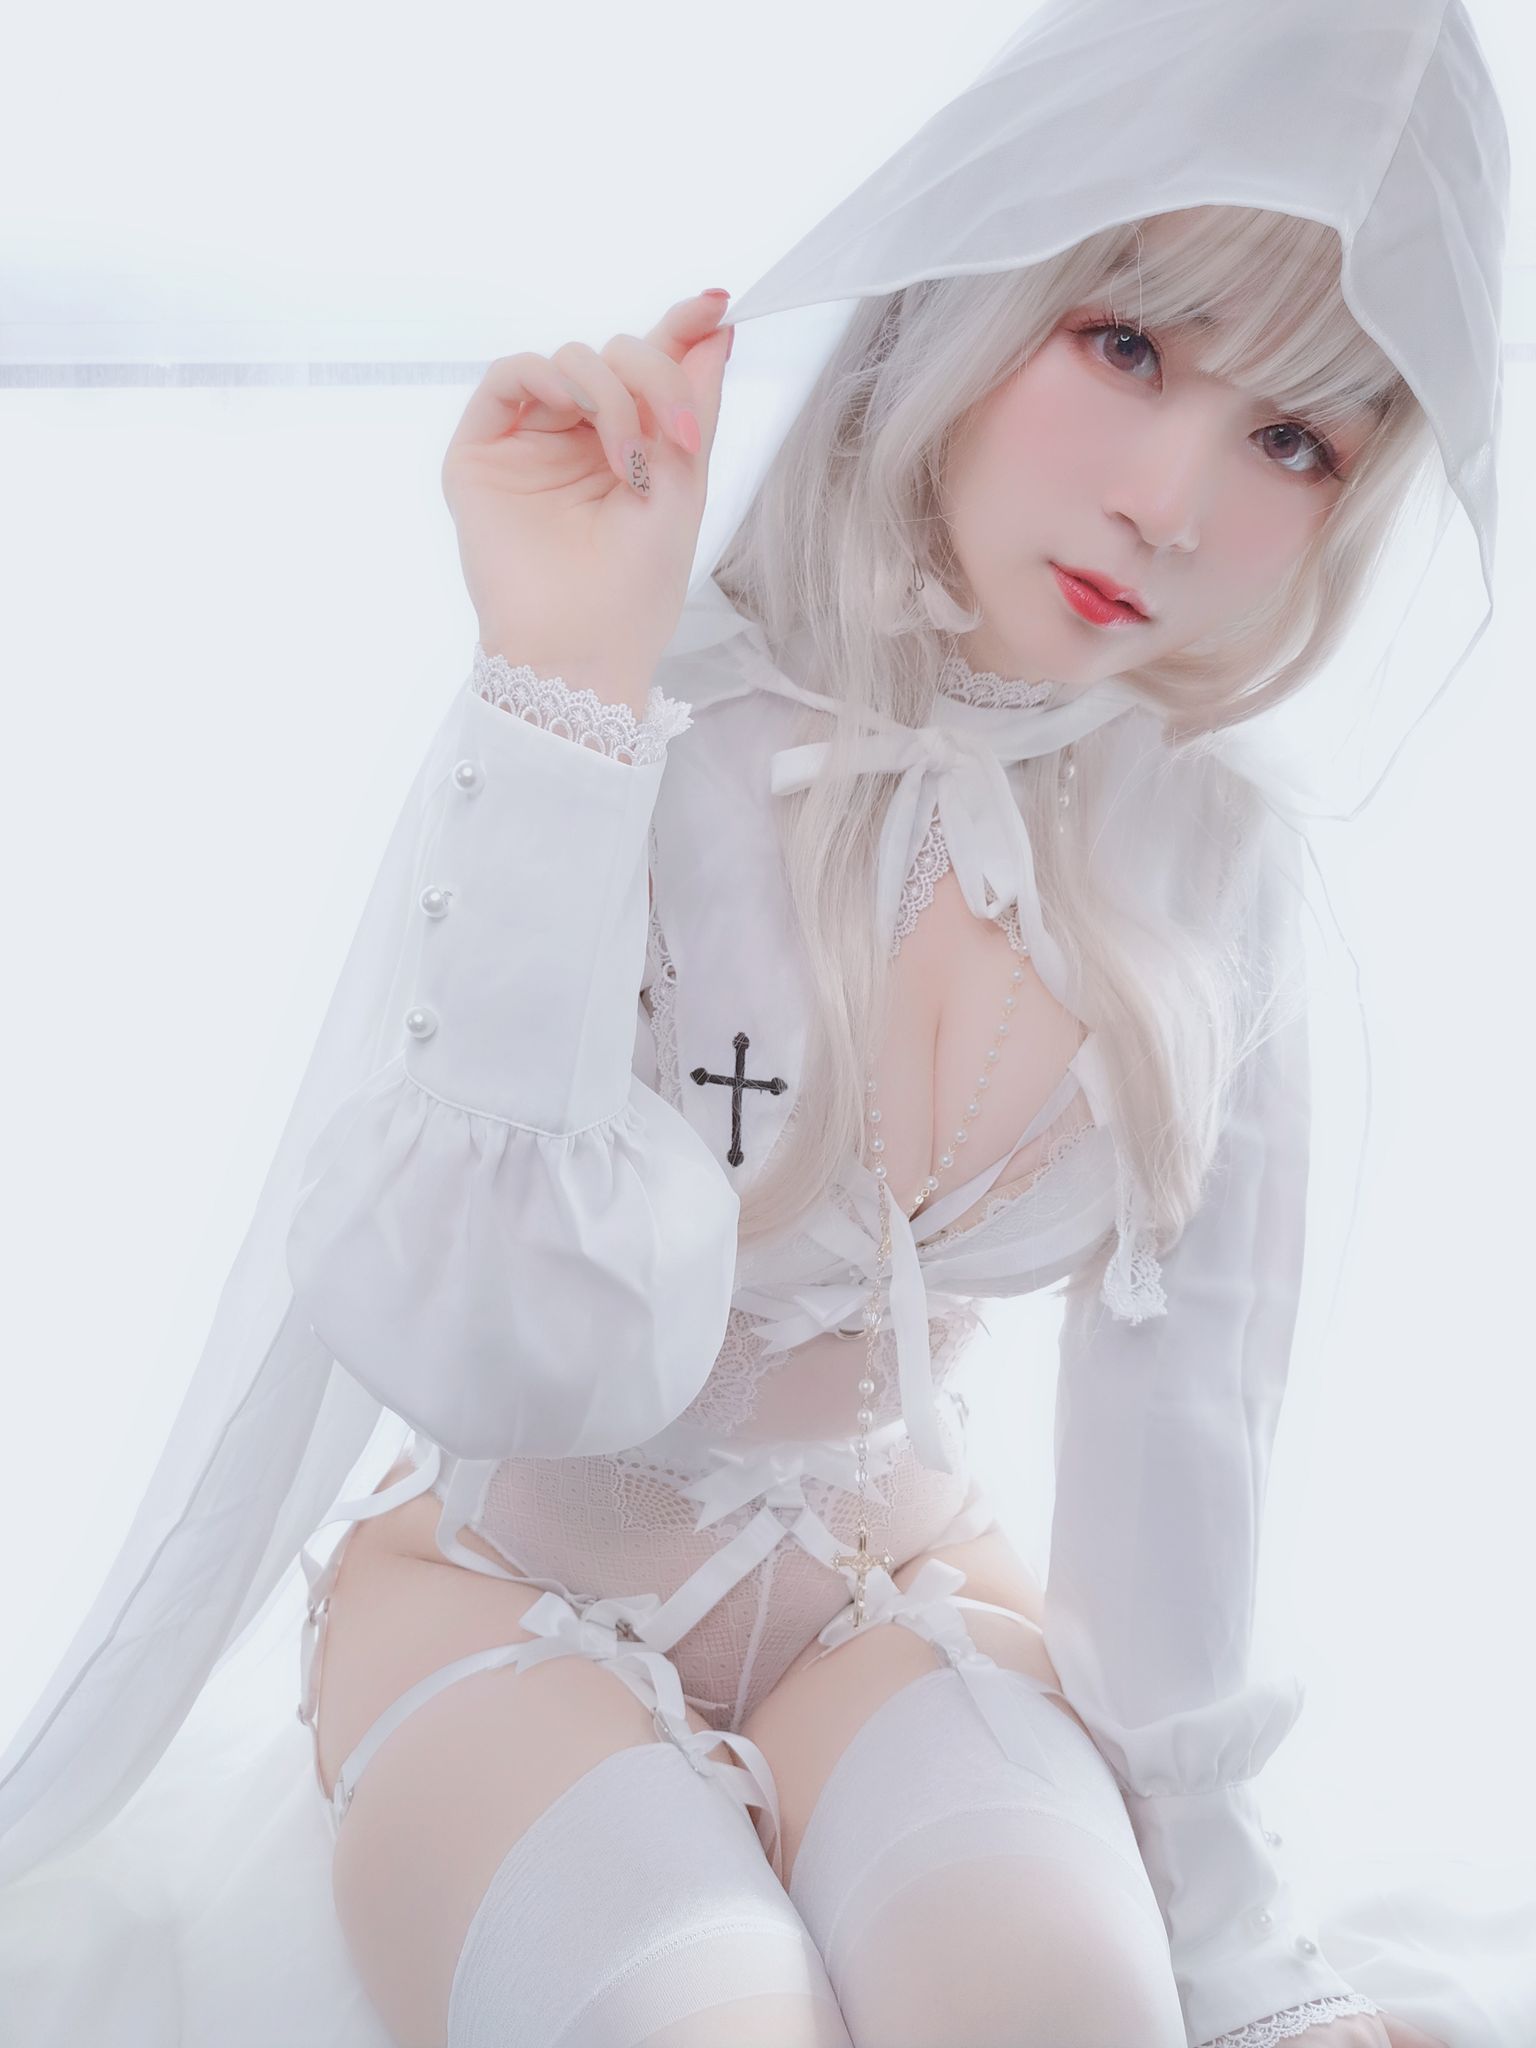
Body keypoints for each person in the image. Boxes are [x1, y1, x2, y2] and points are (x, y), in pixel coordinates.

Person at [1, 3, 1527, 2046]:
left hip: (899, 1598)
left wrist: (1245, 1971)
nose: (1171, 502)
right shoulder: (653, 719)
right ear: (985, 284)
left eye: (1295, 440)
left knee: (1075, 2012)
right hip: (504, 1589)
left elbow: (1181, 1459)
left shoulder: (1206, 866)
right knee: (697, 2016)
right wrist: (567, 689)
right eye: (1127, 343)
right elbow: (501, 1344)